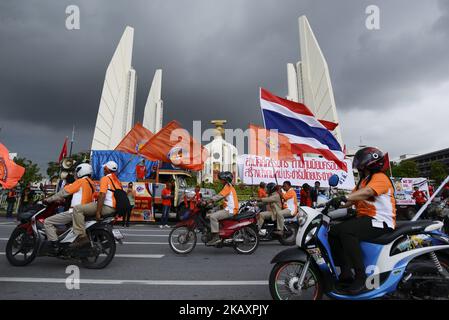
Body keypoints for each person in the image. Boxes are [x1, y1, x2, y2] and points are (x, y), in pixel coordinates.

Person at [329, 147, 395, 295]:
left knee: (347, 231)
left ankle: (360, 277)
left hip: (381, 221)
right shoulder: (363, 182)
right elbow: (351, 200)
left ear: (368, 162)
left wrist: (345, 198)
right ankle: (346, 273)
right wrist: (330, 203)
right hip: (366, 219)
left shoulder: (379, 178)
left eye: (359, 161)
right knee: (333, 231)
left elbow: (368, 192)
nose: (358, 164)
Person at [43, 163, 95, 254]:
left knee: (47, 222)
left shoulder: (80, 182)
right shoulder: (91, 183)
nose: (75, 173)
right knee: (63, 228)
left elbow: (64, 192)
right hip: (85, 212)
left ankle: (54, 245)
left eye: (77, 171)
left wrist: (49, 199)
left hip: (73, 213)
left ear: (81, 171)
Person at [70, 161, 120, 248]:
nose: (103, 169)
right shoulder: (117, 181)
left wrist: (98, 212)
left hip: (107, 207)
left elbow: (102, 195)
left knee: (77, 209)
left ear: (107, 169)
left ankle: (82, 237)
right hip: (114, 208)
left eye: (104, 168)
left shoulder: (105, 179)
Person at [206, 171, 239, 245]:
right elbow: (224, 199)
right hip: (228, 208)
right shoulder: (228, 186)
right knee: (211, 212)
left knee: (213, 217)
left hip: (230, 210)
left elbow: (219, 196)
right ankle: (216, 230)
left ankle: (216, 237)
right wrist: (215, 205)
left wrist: (209, 201)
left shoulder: (228, 187)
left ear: (225, 180)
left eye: (221, 179)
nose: (220, 180)